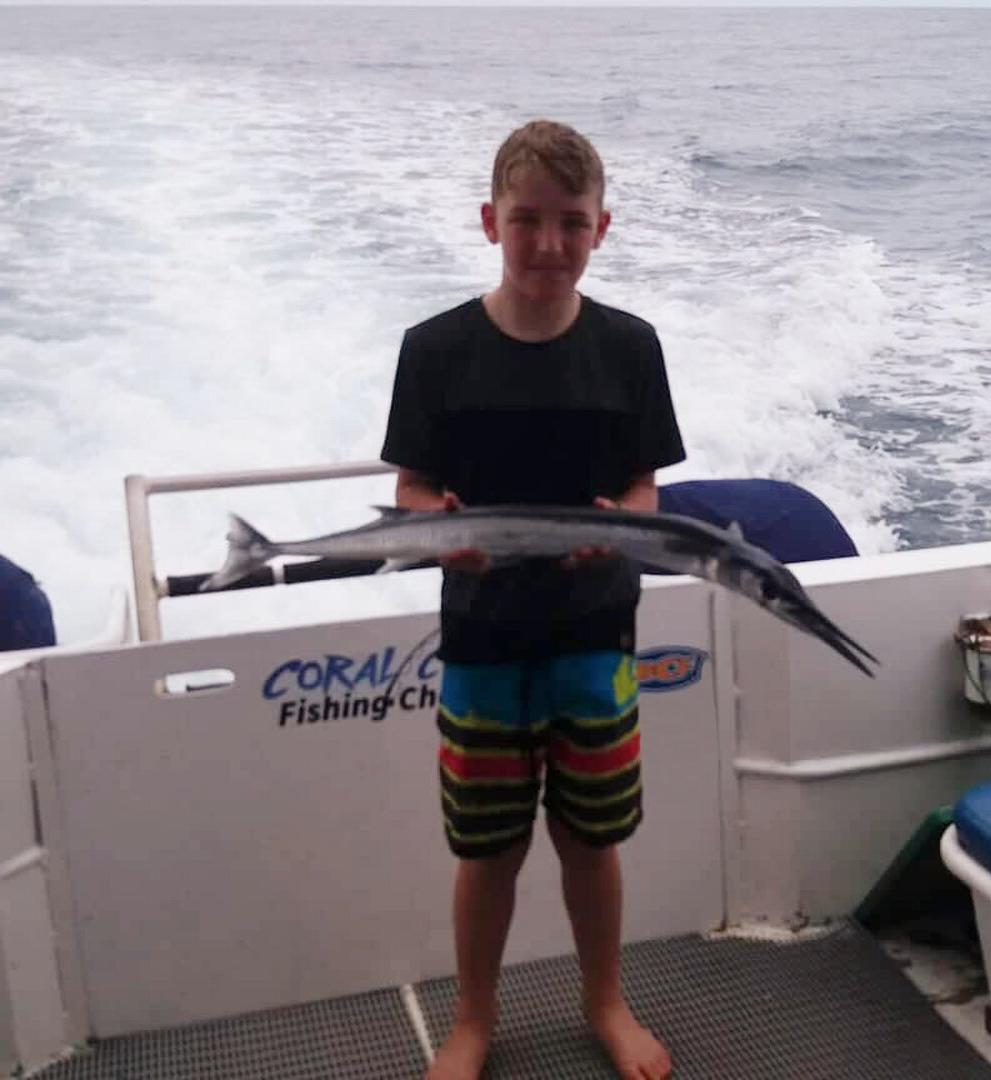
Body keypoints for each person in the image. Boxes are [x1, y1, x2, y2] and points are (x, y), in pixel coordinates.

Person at [381, 120, 684, 1080]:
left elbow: (643, 489)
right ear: (489, 221)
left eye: (571, 223)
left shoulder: (631, 347)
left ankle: (606, 1003)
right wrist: (440, 526)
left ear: (602, 228)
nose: (549, 243)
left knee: (591, 841)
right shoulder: (435, 349)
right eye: (526, 220)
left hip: (597, 638)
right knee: (489, 850)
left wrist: (621, 528)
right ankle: (474, 1021)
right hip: (481, 645)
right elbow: (412, 491)